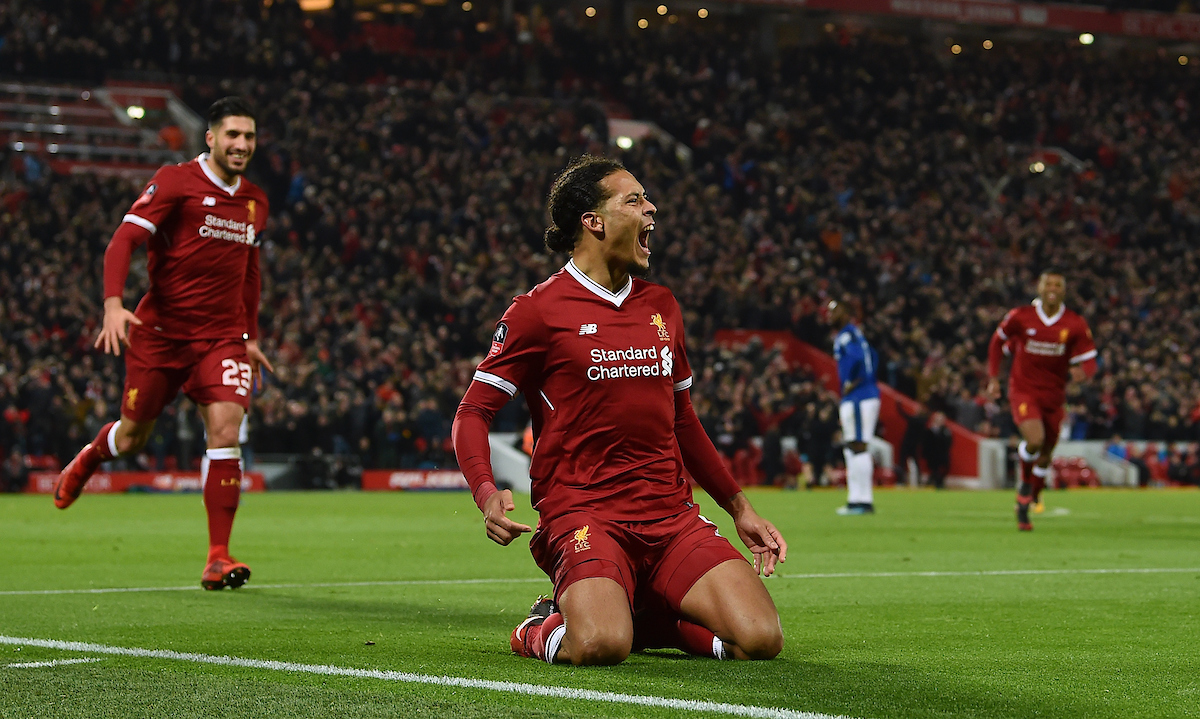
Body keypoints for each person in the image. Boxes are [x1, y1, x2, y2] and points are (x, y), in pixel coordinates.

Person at [452, 155, 786, 666]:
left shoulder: (663, 306)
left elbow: (683, 421)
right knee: (600, 645)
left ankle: (642, 622)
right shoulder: (538, 311)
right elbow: (472, 412)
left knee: (761, 639)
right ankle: (540, 627)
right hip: (585, 513)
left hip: (669, 516)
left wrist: (740, 508)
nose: (651, 209)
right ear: (594, 222)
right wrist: (485, 493)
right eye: (634, 200)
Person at [52, 97, 273, 589]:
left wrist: (250, 335)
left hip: (220, 340)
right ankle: (90, 456)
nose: (241, 144)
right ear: (211, 137)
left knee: (225, 429)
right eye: (232, 135)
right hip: (161, 337)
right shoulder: (175, 181)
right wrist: (113, 304)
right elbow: (122, 240)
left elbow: (250, 270)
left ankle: (218, 555)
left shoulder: (256, 200)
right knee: (132, 439)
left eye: (249, 136)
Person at [987, 270, 1096, 531]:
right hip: (1024, 390)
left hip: (1054, 396)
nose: (1053, 288)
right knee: (1034, 440)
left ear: (1063, 290)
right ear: (1039, 286)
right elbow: (996, 341)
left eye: (1058, 284)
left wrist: (1084, 373)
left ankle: (1031, 496)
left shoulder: (1074, 323)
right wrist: (993, 377)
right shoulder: (1021, 316)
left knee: (1046, 454)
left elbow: (1090, 358)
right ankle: (1024, 489)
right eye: (1048, 283)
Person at [829, 298, 880, 514]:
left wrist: (852, 382)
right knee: (852, 447)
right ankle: (855, 499)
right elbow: (873, 357)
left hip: (859, 396)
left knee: (858, 446)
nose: (829, 316)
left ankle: (863, 501)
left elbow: (858, 358)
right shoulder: (855, 334)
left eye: (833, 311)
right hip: (862, 394)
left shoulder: (847, 335)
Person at [923, 411, 953, 490]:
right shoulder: (930, 430)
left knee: (945, 468)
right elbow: (926, 443)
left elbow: (949, 441)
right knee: (935, 469)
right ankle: (937, 483)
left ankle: (935, 481)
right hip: (933, 454)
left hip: (943, 454)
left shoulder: (946, 430)